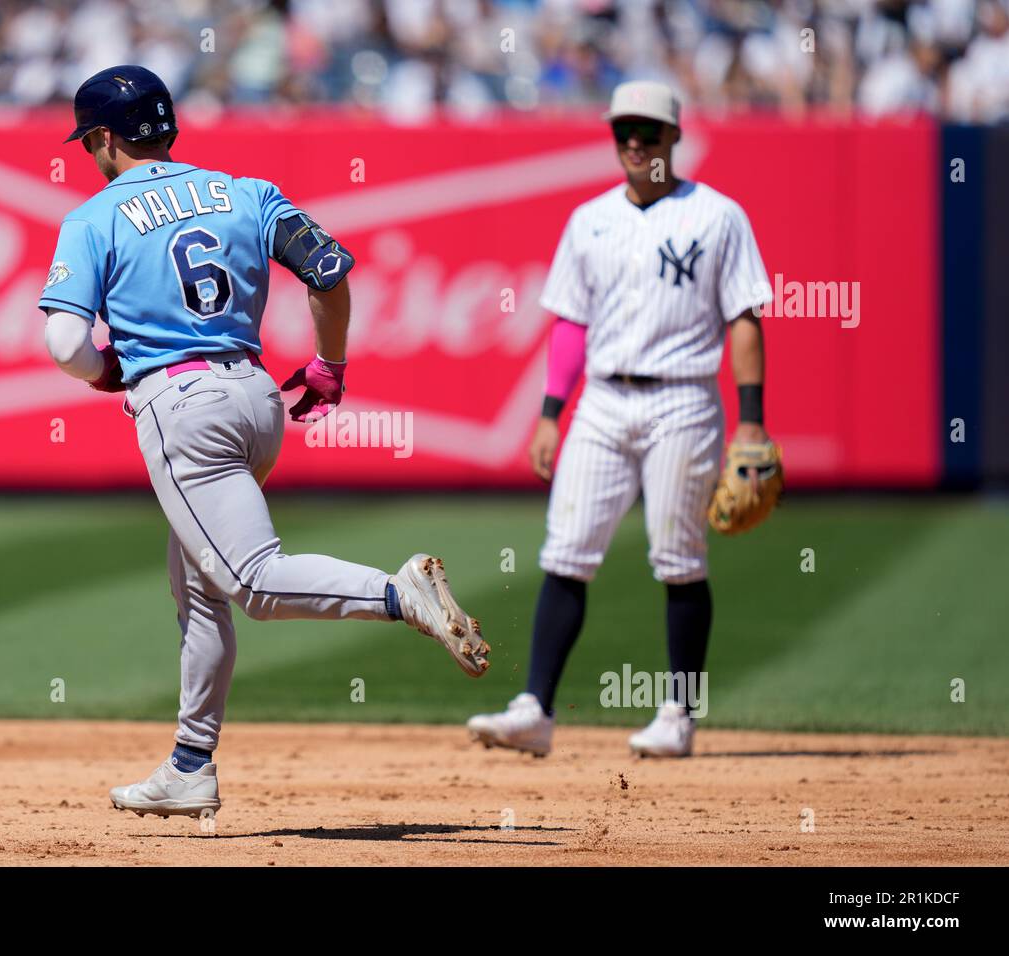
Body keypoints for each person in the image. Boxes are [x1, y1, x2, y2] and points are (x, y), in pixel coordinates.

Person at [39, 66, 489, 818]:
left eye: (90, 142)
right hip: (256, 401)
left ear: (105, 138)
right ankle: (188, 765)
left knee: (251, 580)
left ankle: (397, 594)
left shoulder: (94, 218)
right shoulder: (245, 192)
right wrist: (329, 366)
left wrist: (104, 372)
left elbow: (62, 341)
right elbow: (330, 270)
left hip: (181, 406)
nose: (91, 154)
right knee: (201, 590)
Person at [467, 80, 772, 758]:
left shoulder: (717, 215)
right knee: (565, 552)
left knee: (679, 560)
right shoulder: (590, 219)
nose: (634, 142)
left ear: (673, 138)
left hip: (683, 400)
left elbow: (744, 317)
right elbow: (571, 322)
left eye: (648, 131)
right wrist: (550, 412)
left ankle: (678, 717)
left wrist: (751, 421)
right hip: (602, 401)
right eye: (623, 130)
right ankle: (535, 709)